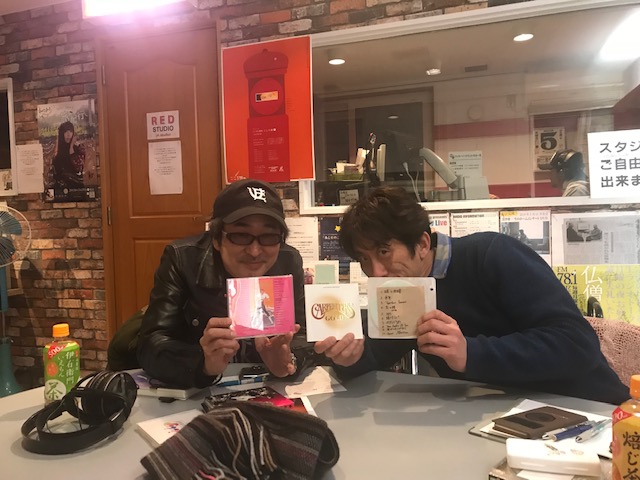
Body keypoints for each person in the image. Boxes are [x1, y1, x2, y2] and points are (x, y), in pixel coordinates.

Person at [315, 186, 628, 404]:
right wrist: (351, 358)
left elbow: (577, 344)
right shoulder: (403, 291)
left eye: (384, 252)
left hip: (586, 410)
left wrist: (471, 353)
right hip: (494, 418)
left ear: (422, 244)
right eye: (364, 259)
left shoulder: (492, 255)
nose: (376, 272)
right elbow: (375, 355)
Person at [137, 179, 306, 388]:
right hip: (198, 393)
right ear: (216, 239)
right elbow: (150, 345)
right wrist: (203, 363)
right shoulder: (183, 259)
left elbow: (303, 335)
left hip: (266, 388)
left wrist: (288, 360)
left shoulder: (288, 261)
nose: (255, 251)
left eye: (269, 236)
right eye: (240, 236)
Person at [52, 121, 85, 189]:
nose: (68, 134)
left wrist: (71, 147)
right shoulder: (59, 151)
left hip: (77, 188)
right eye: (65, 132)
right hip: (61, 188)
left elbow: (78, 168)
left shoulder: (77, 148)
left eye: (70, 131)